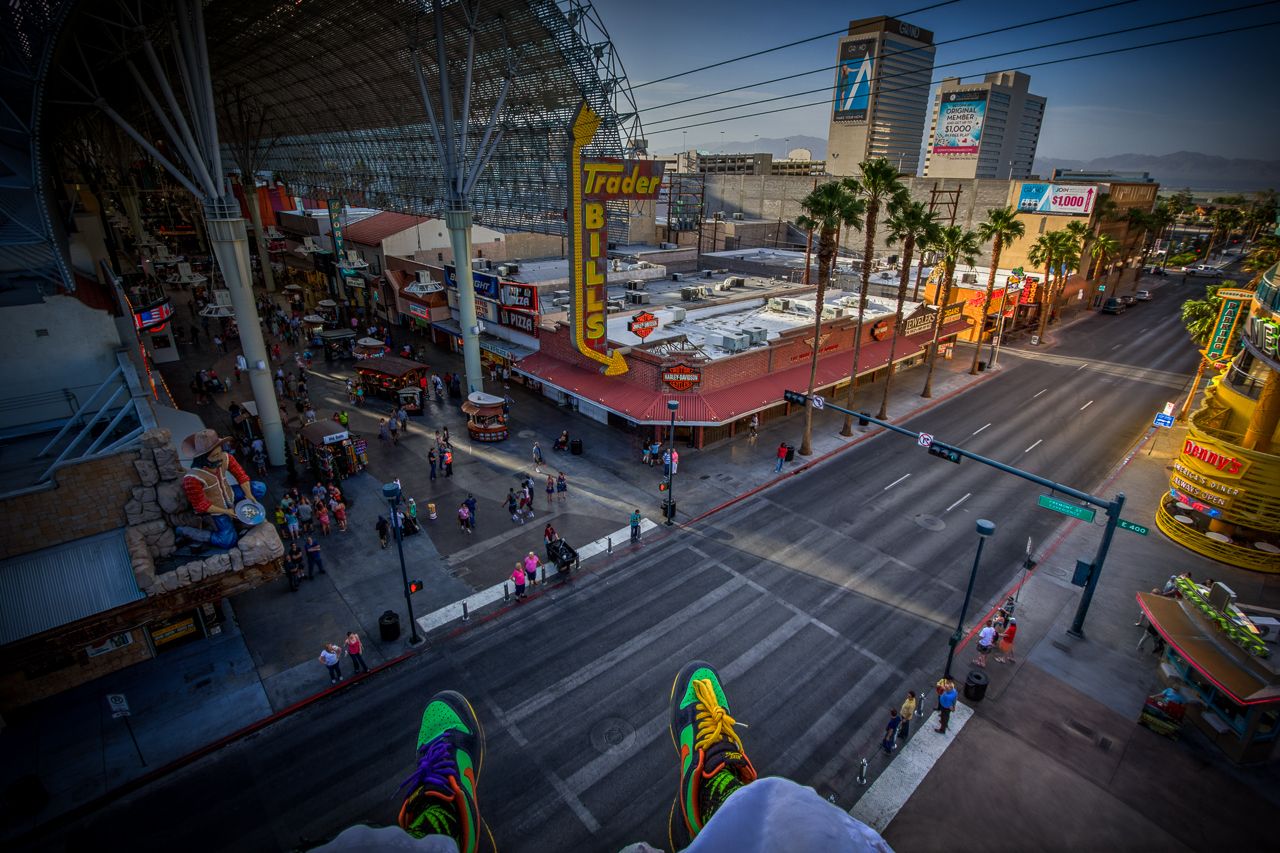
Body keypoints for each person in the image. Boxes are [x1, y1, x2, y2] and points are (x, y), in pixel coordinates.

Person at [173, 429, 268, 549]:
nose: (219, 457)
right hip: (216, 508)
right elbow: (200, 505)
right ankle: (187, 532)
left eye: (219, 453)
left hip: (231, 495)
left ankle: (238, 516)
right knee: (228, 541)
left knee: (259, 488)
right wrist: (226, 512)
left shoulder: (225, 458)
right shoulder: (192, 478)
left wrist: (248, 494)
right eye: (214, 456)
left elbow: (241, 476)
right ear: (203, 457)